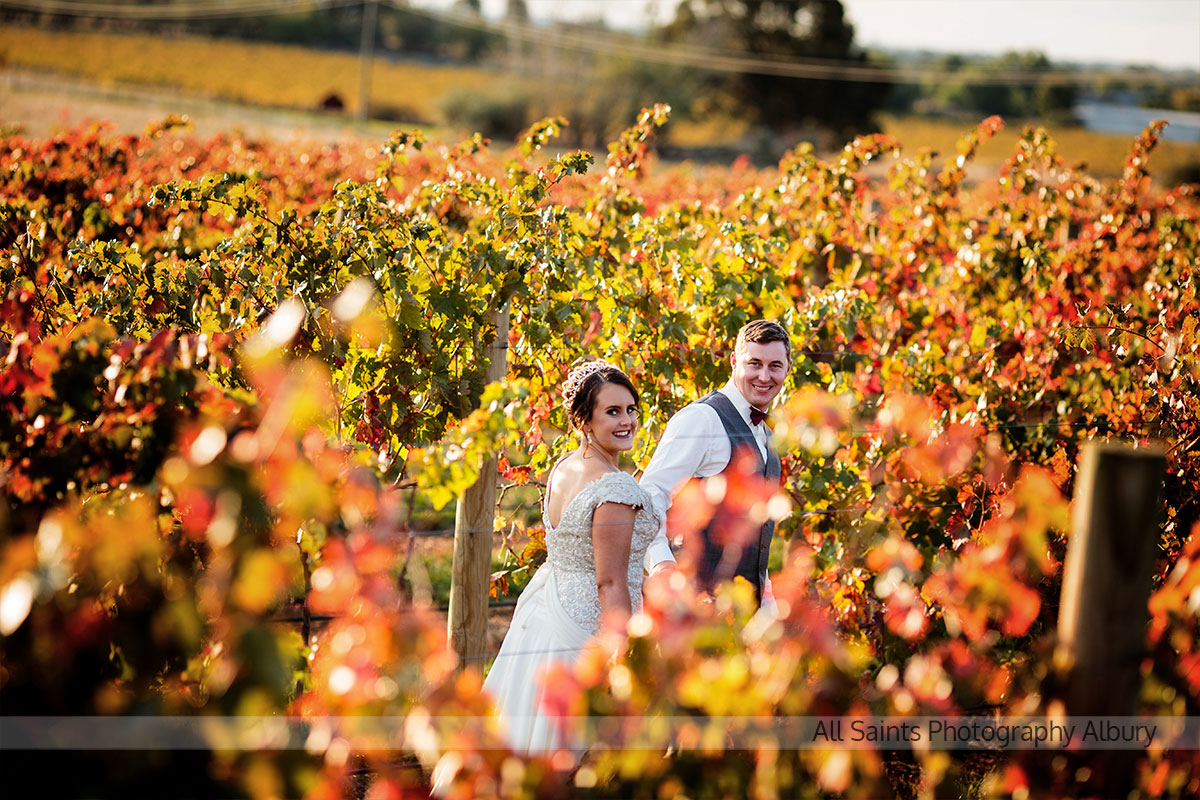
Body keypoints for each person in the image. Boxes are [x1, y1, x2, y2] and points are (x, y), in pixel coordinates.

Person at [481, 359, 661, 755]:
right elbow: (610, 581)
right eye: (611, 411)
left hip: (547, 611)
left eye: (630, 409)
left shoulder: (565, 467)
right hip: (588, 629)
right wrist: (626, 652)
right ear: (584, 420)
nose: (626, 421)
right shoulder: (615, 487)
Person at [639, 320, 791, 608]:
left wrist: (767, 601)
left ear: (787, 368)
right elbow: (649, 495)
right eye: (754, 363)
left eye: (774, 366)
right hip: (696, 607)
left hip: (745, 613)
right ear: (734, 361)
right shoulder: (702, 419)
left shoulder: (766, 433)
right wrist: (661, 564)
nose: (763, 375)